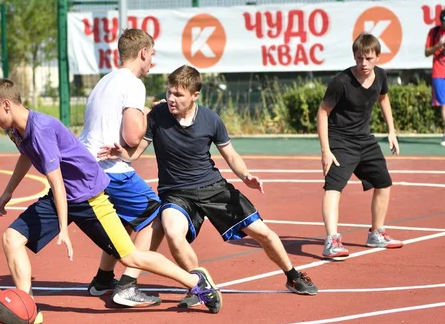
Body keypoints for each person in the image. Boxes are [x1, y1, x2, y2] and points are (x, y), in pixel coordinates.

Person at [0, 78, 222, 322]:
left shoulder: (41, 129)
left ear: (7, 104)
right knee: (11, 238)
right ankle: (27, 307)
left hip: (89, 197)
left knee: (130, 257)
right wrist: (8, 192)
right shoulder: (14, 129)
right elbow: (27, 155)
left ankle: (195, 281)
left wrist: (63, 228)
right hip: (63, 195)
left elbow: (56, 181)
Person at [98, 65, 318, 308]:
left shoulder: (211, 119)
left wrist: (246, 176)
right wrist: (123, 153)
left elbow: (231, 155)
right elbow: (136, 152)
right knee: (172, 230)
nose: (171, 98)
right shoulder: (158, 116)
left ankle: (293, 276)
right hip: (176, 194)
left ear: (195, 95)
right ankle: (198, 284)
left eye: (178, 94)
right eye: (170, 92)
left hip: (213, 187)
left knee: (263, 233)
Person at [79, 28, 163, 307]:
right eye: (152, 54)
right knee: (155, 212)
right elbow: (132, 136)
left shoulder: (105, 80)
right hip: (110, 168)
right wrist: (151, 115)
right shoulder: (133, 84)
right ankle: (128, 285)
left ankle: (103, 278)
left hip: (89, 165)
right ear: (142, 53)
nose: (153, 60)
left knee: (126, 220)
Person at [317, 33, 403, 259]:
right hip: (340, 141)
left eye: (368, 58)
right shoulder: (341, 82)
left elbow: (383, 98)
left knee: (383, 183)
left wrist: (391, 131)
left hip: (364, 139)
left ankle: (376, 234)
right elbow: (323, 112)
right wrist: (326, 150)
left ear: (377, 57)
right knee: (333, 188)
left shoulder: (381, 76)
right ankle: (332, 241)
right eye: (359, 58)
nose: (363, 63)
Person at [424, 9, 445, 147]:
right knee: (444, 105)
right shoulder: (434, 32)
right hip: (439, 73)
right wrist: (439, 45)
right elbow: (426, 52)